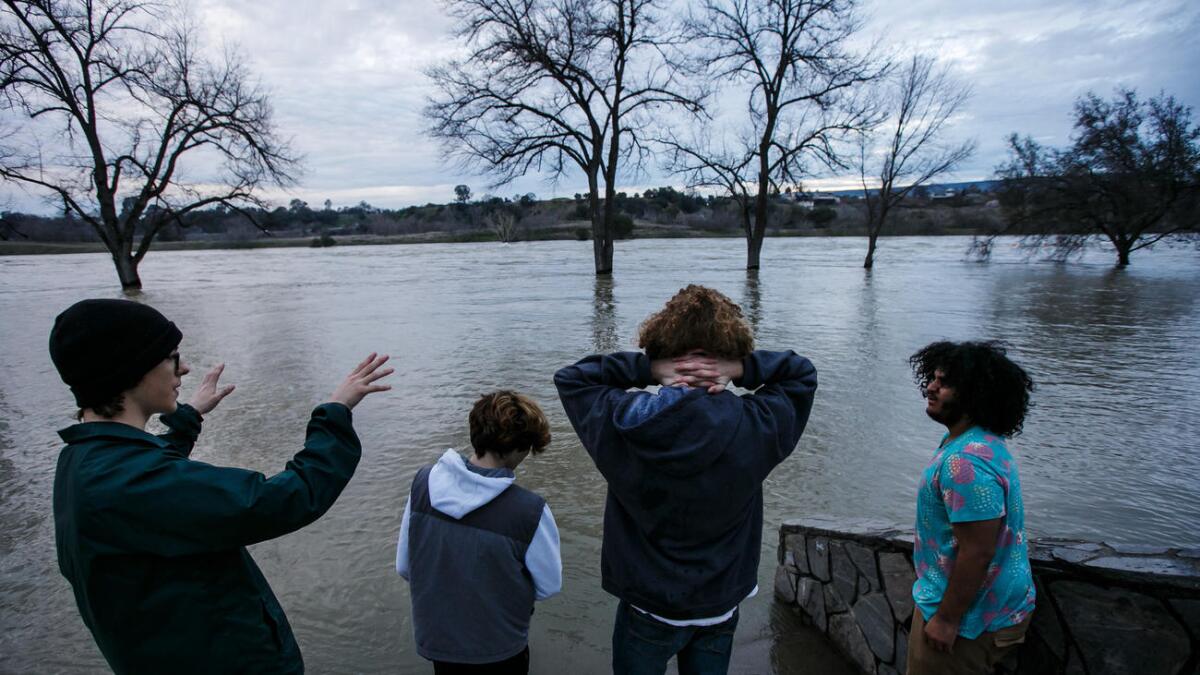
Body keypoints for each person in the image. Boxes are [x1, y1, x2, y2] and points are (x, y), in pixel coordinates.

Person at [49, 298, 393, 674]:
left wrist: (187, 419)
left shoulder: (85, 460)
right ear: (132, 371)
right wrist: (335, 412)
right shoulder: (128, 482)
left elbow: (154, 491)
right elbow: (280, 501)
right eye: (170, 357)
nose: (183, 367)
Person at [554, 284, 818, 675]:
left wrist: (648, 368)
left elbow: (573, 379)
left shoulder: (623, 424)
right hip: (719, 603)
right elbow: (801, 375)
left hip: (647, 603)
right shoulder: (758, 426)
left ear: (663, 350)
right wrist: (742, 369)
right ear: (730, 353)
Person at [396, 390, 562, 674]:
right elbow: (549, 586)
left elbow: (405, 566)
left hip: (440, 642)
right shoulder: (530, 511)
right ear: (516, 449)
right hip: (499, 647)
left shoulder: (422, 484)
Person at [906, 340, 1037, 675]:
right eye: (932, 378)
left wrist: (947, 619)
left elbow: (978, 550)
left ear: (975, 396)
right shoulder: (982, 443)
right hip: (995, 608)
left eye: (944, 383)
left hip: (969, 621)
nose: (930, 388)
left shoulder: (964, 462)